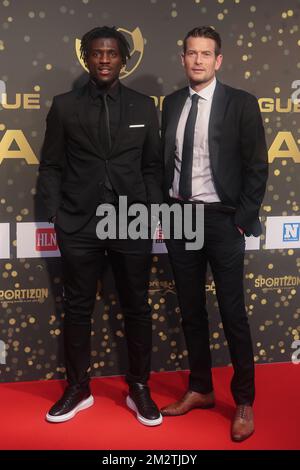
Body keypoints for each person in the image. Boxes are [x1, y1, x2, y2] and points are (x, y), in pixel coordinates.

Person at [38, 26, 163, 426]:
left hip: (131, 221)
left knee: (137, 306)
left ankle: (139, 387)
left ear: (123, 59)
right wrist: (56, 214)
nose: (104, 59)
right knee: (77, 308)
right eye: (97, 53)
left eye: (111, 53)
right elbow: (52, 165)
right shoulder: (64, 106)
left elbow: (152, 167)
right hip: (80, 222)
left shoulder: (145, 107)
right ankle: (78, 389)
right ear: (87, 58)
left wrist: (152, 209)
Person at [160, 26, 268, 441]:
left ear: (218, 60)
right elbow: (160, 162)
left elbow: (257, 167)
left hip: (223, 220)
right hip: (180, 218)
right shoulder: (171, 104)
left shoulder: (240, 103)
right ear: (183, 58)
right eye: (192, 53)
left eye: (207, 54)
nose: (199, 60)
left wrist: (241, 219)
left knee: (232, 313)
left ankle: (243, 400)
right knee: (190, 311)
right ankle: (201, 388)